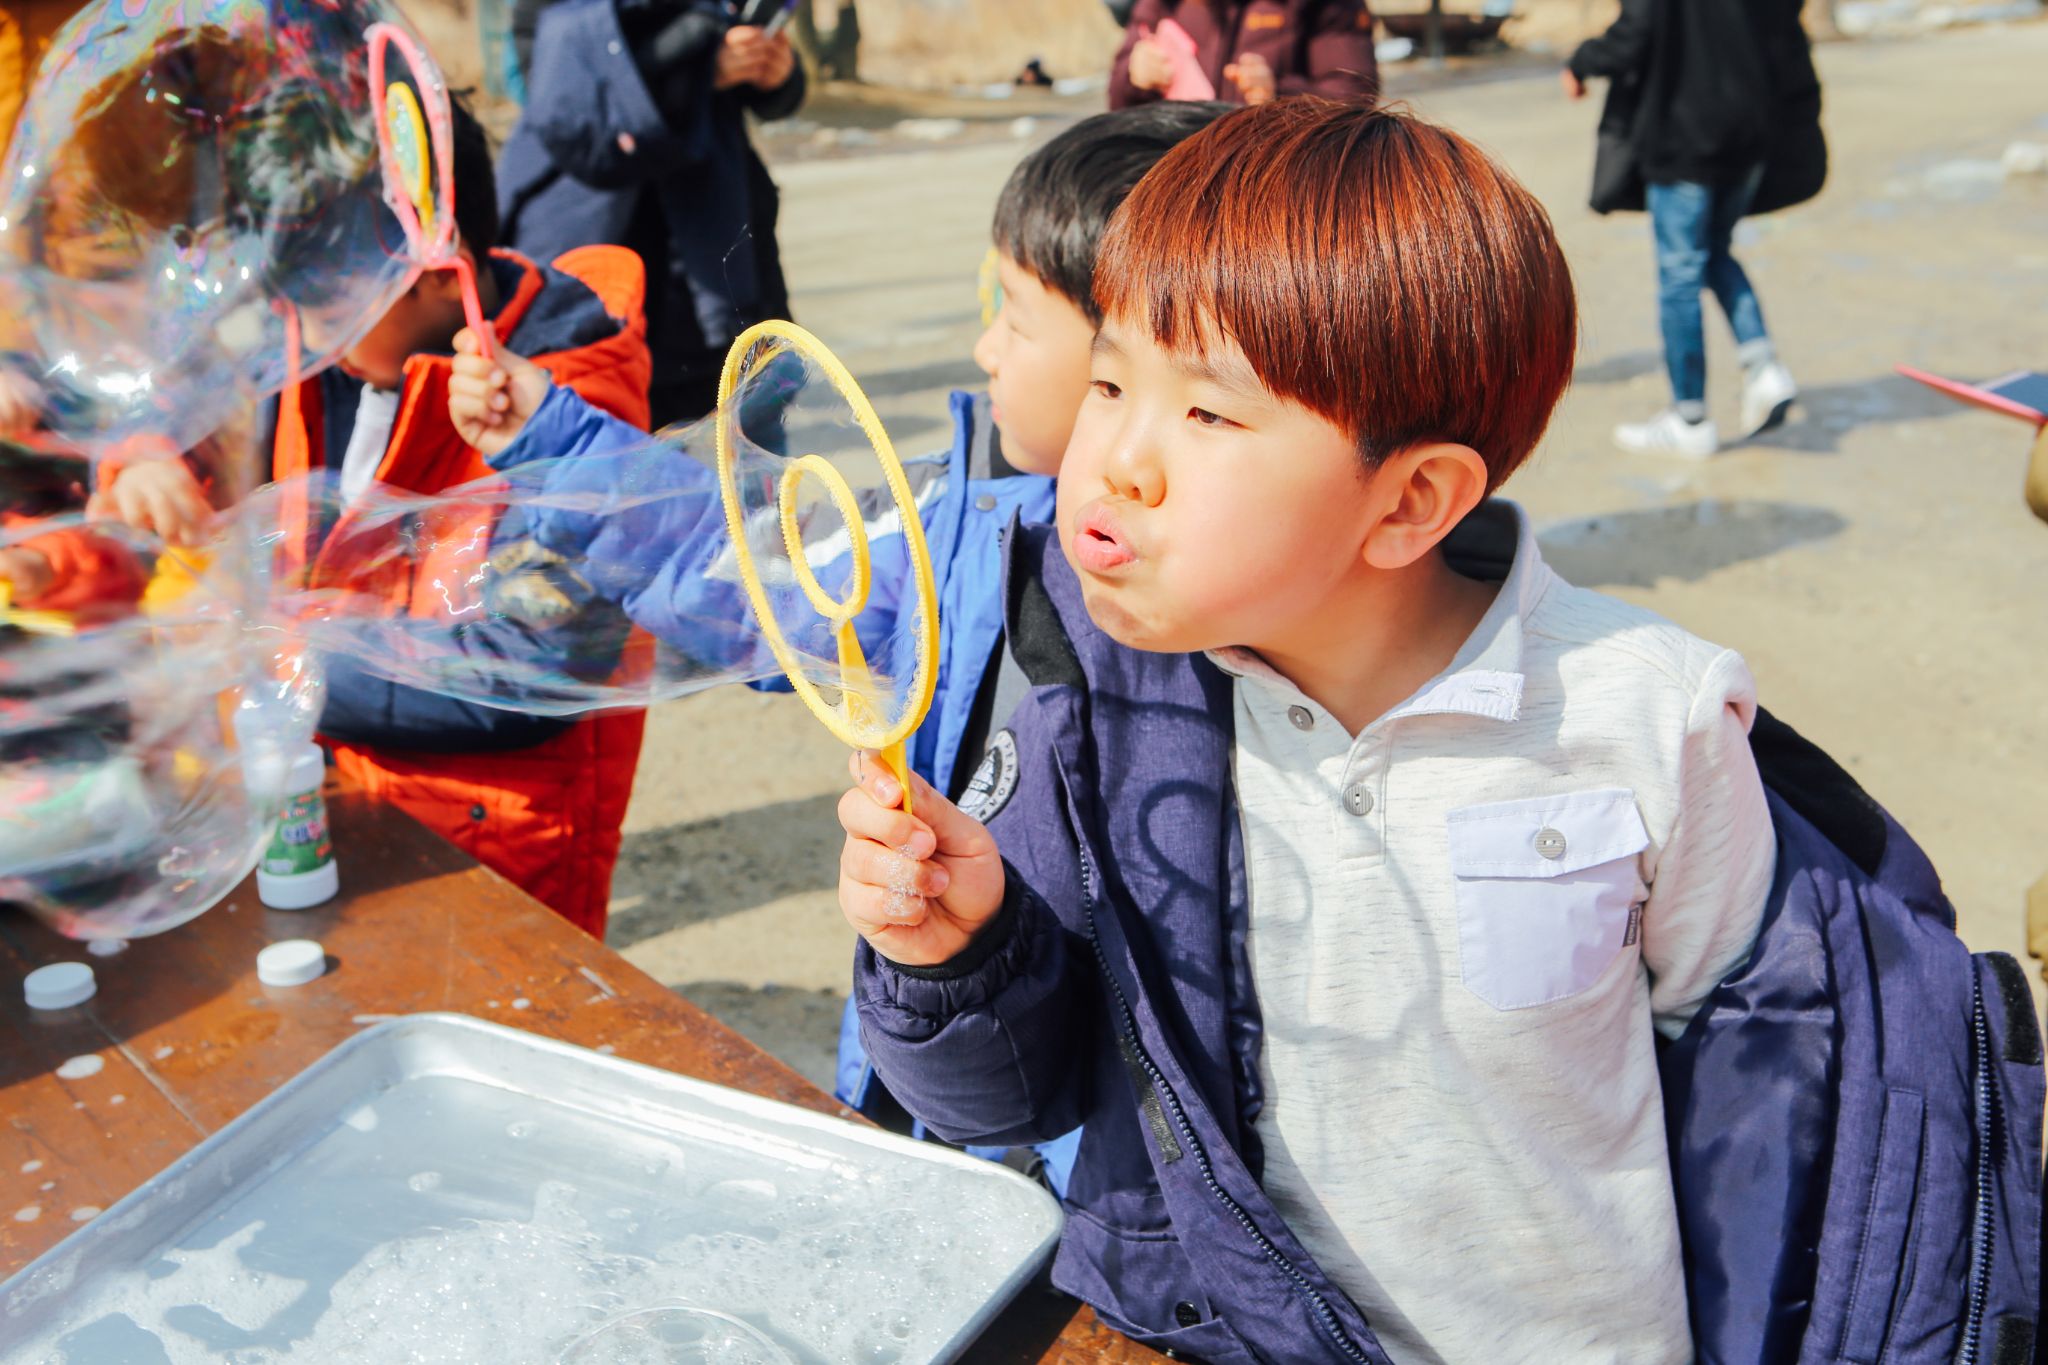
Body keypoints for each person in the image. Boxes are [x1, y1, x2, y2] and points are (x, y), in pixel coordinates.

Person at [831, 100, 1779, 1359]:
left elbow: (1771, 1097)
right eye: (1109, 381)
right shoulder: (1098, 712)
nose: (1115, 458)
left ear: (1410, 501)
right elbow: (1010, 1098)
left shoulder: (1646, 717)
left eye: (1207, 415)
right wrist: (953, 954)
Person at [448, 102, 1236, 1181]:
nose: (982, 348)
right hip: (946, 1079)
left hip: (1122, 1180)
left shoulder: (1248, 622)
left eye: (1010, 314)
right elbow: (752, 567)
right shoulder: (955, 527)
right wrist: (549, 438)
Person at [96, 97, 656, 939]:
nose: (302, 333)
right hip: (334, 794)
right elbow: (195, 398)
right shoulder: (339, 336)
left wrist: (277, 655)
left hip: (495, 844)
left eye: (320, 310)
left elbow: (525, 672)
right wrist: (147, 456)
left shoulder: (565, 402)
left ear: (437, 269)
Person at [499, 0, 805, 427]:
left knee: (749, 452)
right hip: (596, 230)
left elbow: (762, 81)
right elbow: (552, 90)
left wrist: (777, 74)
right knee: (607, 452)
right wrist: (699, 72)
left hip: (719, 234)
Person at [1565, 0, 1818, 456]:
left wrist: (1582, 61)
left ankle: (1689, 417)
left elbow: (1633, 35)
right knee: (1715, 252)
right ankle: (1764, 370)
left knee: (1680, 275)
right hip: (1750, 132)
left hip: (1684, 132)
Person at [1108, 0, 1378, 111]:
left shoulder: (1329, 5)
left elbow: (1354, 100)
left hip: (1276, 186)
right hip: (1178, 181)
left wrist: (1279, 94)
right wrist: (1134, 78)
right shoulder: (1161, 4)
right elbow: (1117, 103)